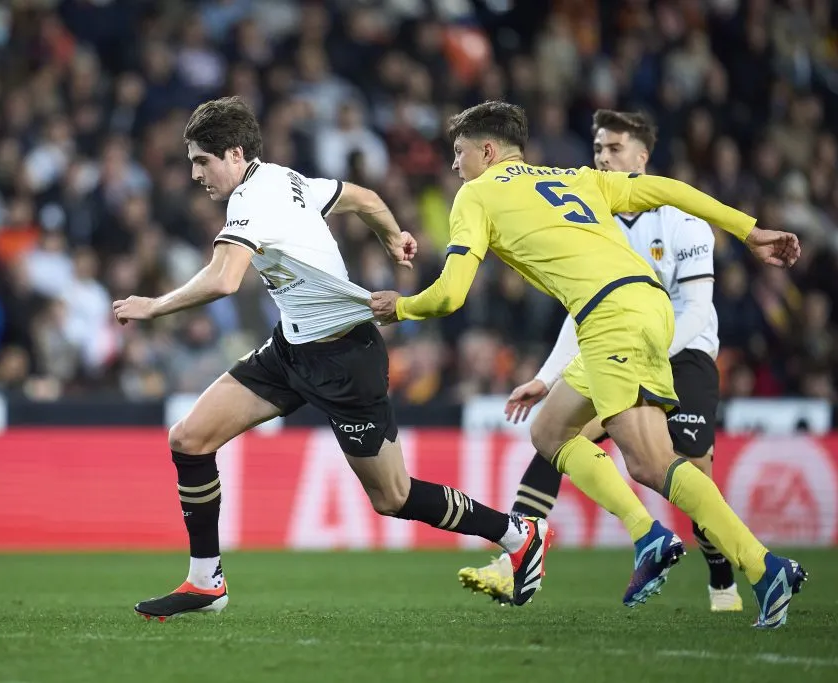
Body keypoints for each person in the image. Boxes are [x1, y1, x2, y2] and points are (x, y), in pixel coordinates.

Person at [369, 101, 806, 629]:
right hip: (639, 307)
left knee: (649, 461)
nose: (454, 165)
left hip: (610, 319)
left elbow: (451, 294)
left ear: (487, 152)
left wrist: (403, 307)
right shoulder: (574, 177)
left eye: (459, 153)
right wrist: (748, 229)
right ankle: (649, 536)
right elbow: (665, 188)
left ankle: (761, 566)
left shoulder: (476, 195)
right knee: (550, 430)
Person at [112, 96, 552, 622]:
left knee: (393, 496)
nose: (194, 173)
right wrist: (392, 236)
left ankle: (516, 533)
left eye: (201, 161)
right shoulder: (284, 179)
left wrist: (154, 306)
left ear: (233, 153)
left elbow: (226, 279)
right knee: (188, 438)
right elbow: (362, 198)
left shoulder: (253, 199)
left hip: (345, 358)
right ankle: (207, 582)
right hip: (292, 349)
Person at [457, 110, 743, 613]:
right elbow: (582, 310)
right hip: (616, 347)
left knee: (689, 470)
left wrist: (645, 349)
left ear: (641, 158)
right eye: (598, 149)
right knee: (553, 439)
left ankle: (723, 581)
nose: (603, 157)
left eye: (614, 149)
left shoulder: (682, 220)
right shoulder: (588, 209)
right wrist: (547, 377)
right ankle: (516, 562)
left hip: (685, 351)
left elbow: (698, 309)